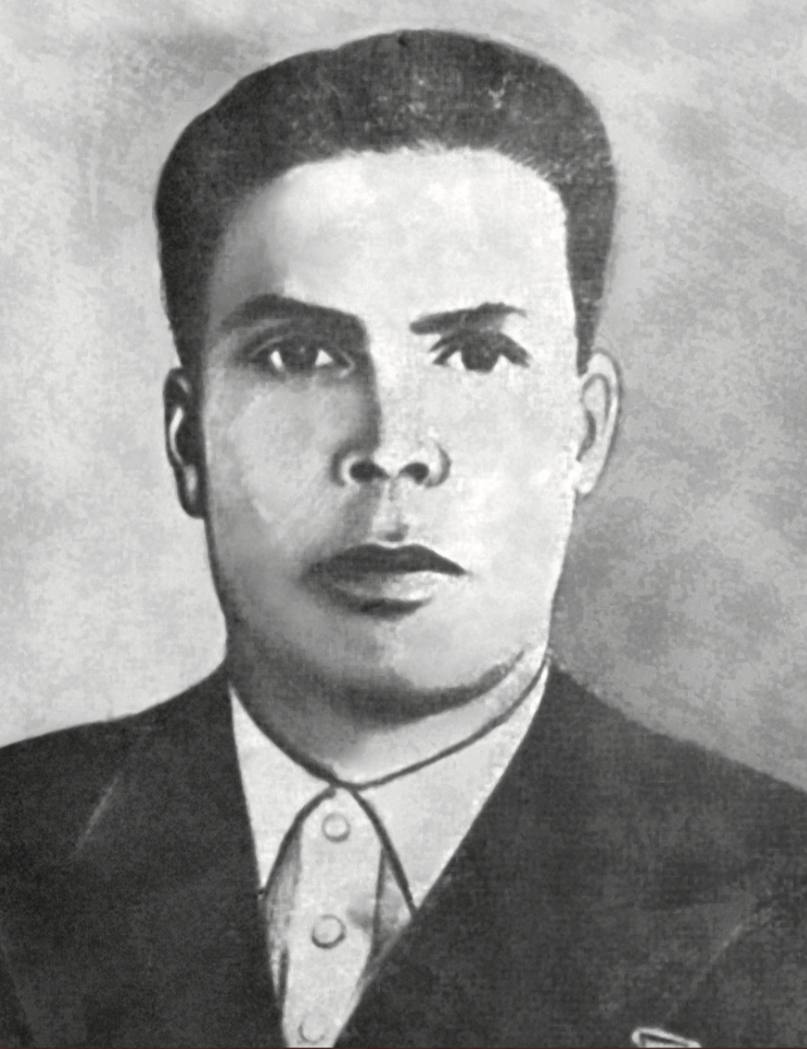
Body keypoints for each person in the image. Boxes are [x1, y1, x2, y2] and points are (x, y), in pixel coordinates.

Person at [2, 28, 807, 1049]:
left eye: (477, 353)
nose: (391, 448)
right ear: (187, 438)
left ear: (584, 430)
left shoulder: (777, 884)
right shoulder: (19, 840)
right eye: (299, 355)